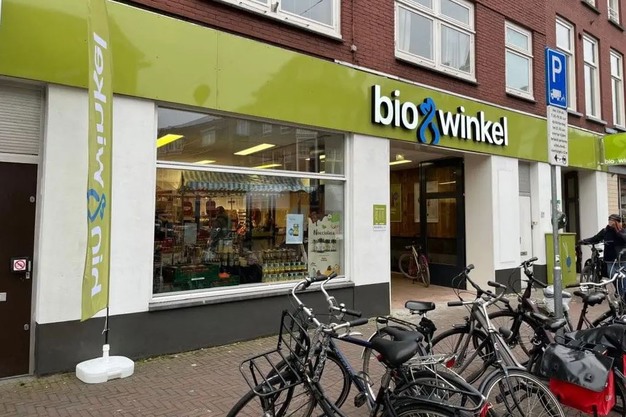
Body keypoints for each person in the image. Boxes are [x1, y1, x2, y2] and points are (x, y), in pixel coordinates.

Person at [579, 214, 626, 293]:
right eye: (609, 220)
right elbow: (595, 238)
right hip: (610, 259)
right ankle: (619, 292)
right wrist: (584, 241)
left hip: (622, 259)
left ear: (617, 222)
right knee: (612, 276)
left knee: (622, 278)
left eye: (612, 220)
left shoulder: (622, 231)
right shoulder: (605, 231)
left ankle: (622, 294)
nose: (610, 222)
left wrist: (617, 230)